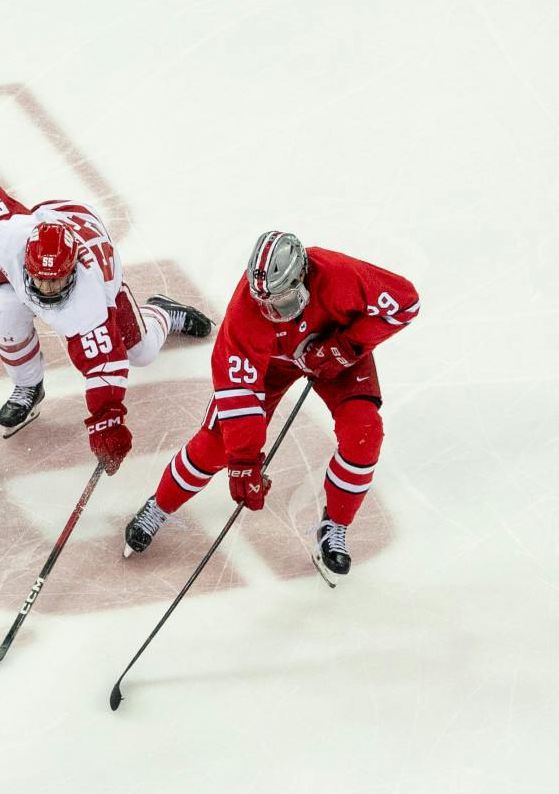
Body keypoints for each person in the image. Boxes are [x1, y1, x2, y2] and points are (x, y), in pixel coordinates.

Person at [120, 230, 420, 580]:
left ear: (303, 275)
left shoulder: (340, 275)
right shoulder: (245, 315)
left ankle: (334, 526)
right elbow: (237, 395)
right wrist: (245, 463)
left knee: (364, 435)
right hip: (271, 366)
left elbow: (405, 302)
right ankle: (159, 506)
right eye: (264, 302)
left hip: (336, 354)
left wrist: (346, 345)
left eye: (282, 299)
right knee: (217, 446)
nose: (272, 310)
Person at [0, 177, 211, 473]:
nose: (48, 290)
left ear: (73, 269)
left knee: (142, 354)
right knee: (4, 314)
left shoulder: (92, 304)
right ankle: (28, 387)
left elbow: (105, 369)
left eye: (56, 282)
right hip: (52, 223)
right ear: (27, 261)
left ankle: (164, 312)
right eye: (41, 280)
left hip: (97, 259)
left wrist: (107, 424)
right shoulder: (11, 236)